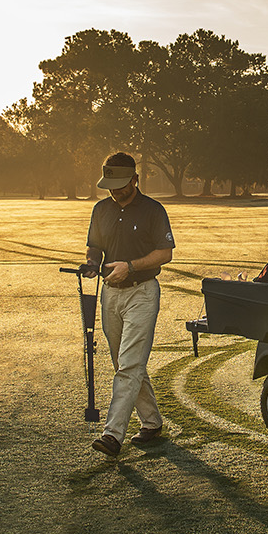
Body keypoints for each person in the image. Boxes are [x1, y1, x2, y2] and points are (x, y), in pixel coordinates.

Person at [83, 152, 175, 456]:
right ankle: (152, 422)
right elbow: (94, 247)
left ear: (135, 180)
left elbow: (165, 253)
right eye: (110, 184)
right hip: (110, 294)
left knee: (130, 363)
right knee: (124, 362)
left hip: (142, 292)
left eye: (120, 184)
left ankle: (113, 434)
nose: (115, 190)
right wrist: (92, 263)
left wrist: (130, 266)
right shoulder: (100, 210)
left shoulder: (152, 210)